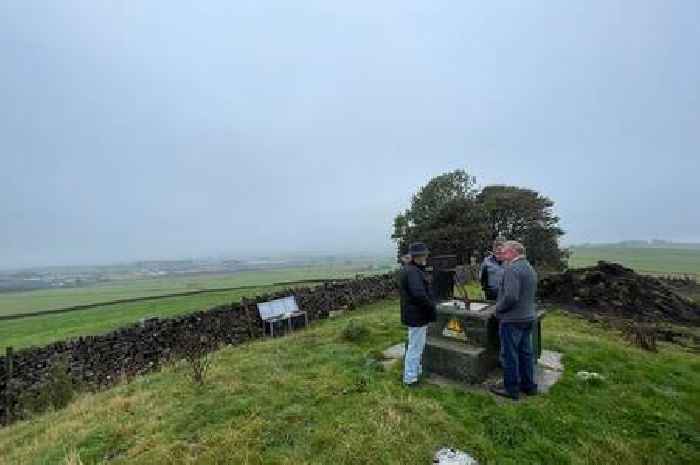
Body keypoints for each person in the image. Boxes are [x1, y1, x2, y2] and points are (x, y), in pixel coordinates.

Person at [490, 240, 538, 400]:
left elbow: (511, 296)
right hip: (528, 317)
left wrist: (498, 309)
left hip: (513, 319)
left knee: (509, 355)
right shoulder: (529, 267)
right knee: (526, 353)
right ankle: (529, 386)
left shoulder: (512, 269)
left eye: (504, 251)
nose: (501, 254)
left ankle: (511, 389)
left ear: (513, 252)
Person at [399, 242, 437, 386]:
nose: (426, 256)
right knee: (415, 348)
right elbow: (419, 294)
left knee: (415, 345)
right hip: (417, 315)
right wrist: (431, 306)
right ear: (419, 257)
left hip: (413, 314)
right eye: (424, 254)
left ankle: (416, 371)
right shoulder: (414, 272)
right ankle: (410, 379)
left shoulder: (409, 269)